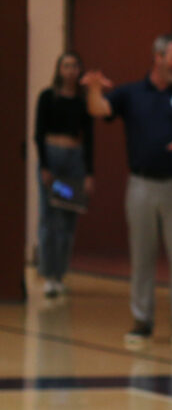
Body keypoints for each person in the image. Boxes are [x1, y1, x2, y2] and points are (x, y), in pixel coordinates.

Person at [81, 34, 172, 350]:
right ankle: (142, 321)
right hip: (141, 185)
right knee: (142, 253)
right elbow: (99, 110)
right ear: (157, 57)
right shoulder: (131, 93)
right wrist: (95, 89)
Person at [34, 51, 94, 298]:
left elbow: (89, 138)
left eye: (74, 66)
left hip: (73, 162)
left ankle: (61, 273)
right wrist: (45, 166)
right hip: (53, 158)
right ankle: (48, 275)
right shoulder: (48, 97)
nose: (70, 70)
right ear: (59, 70)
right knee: (49, 218)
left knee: (68, 217)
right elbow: (38, 133)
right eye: (66, 66)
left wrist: (89, 173)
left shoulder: (82, 102)